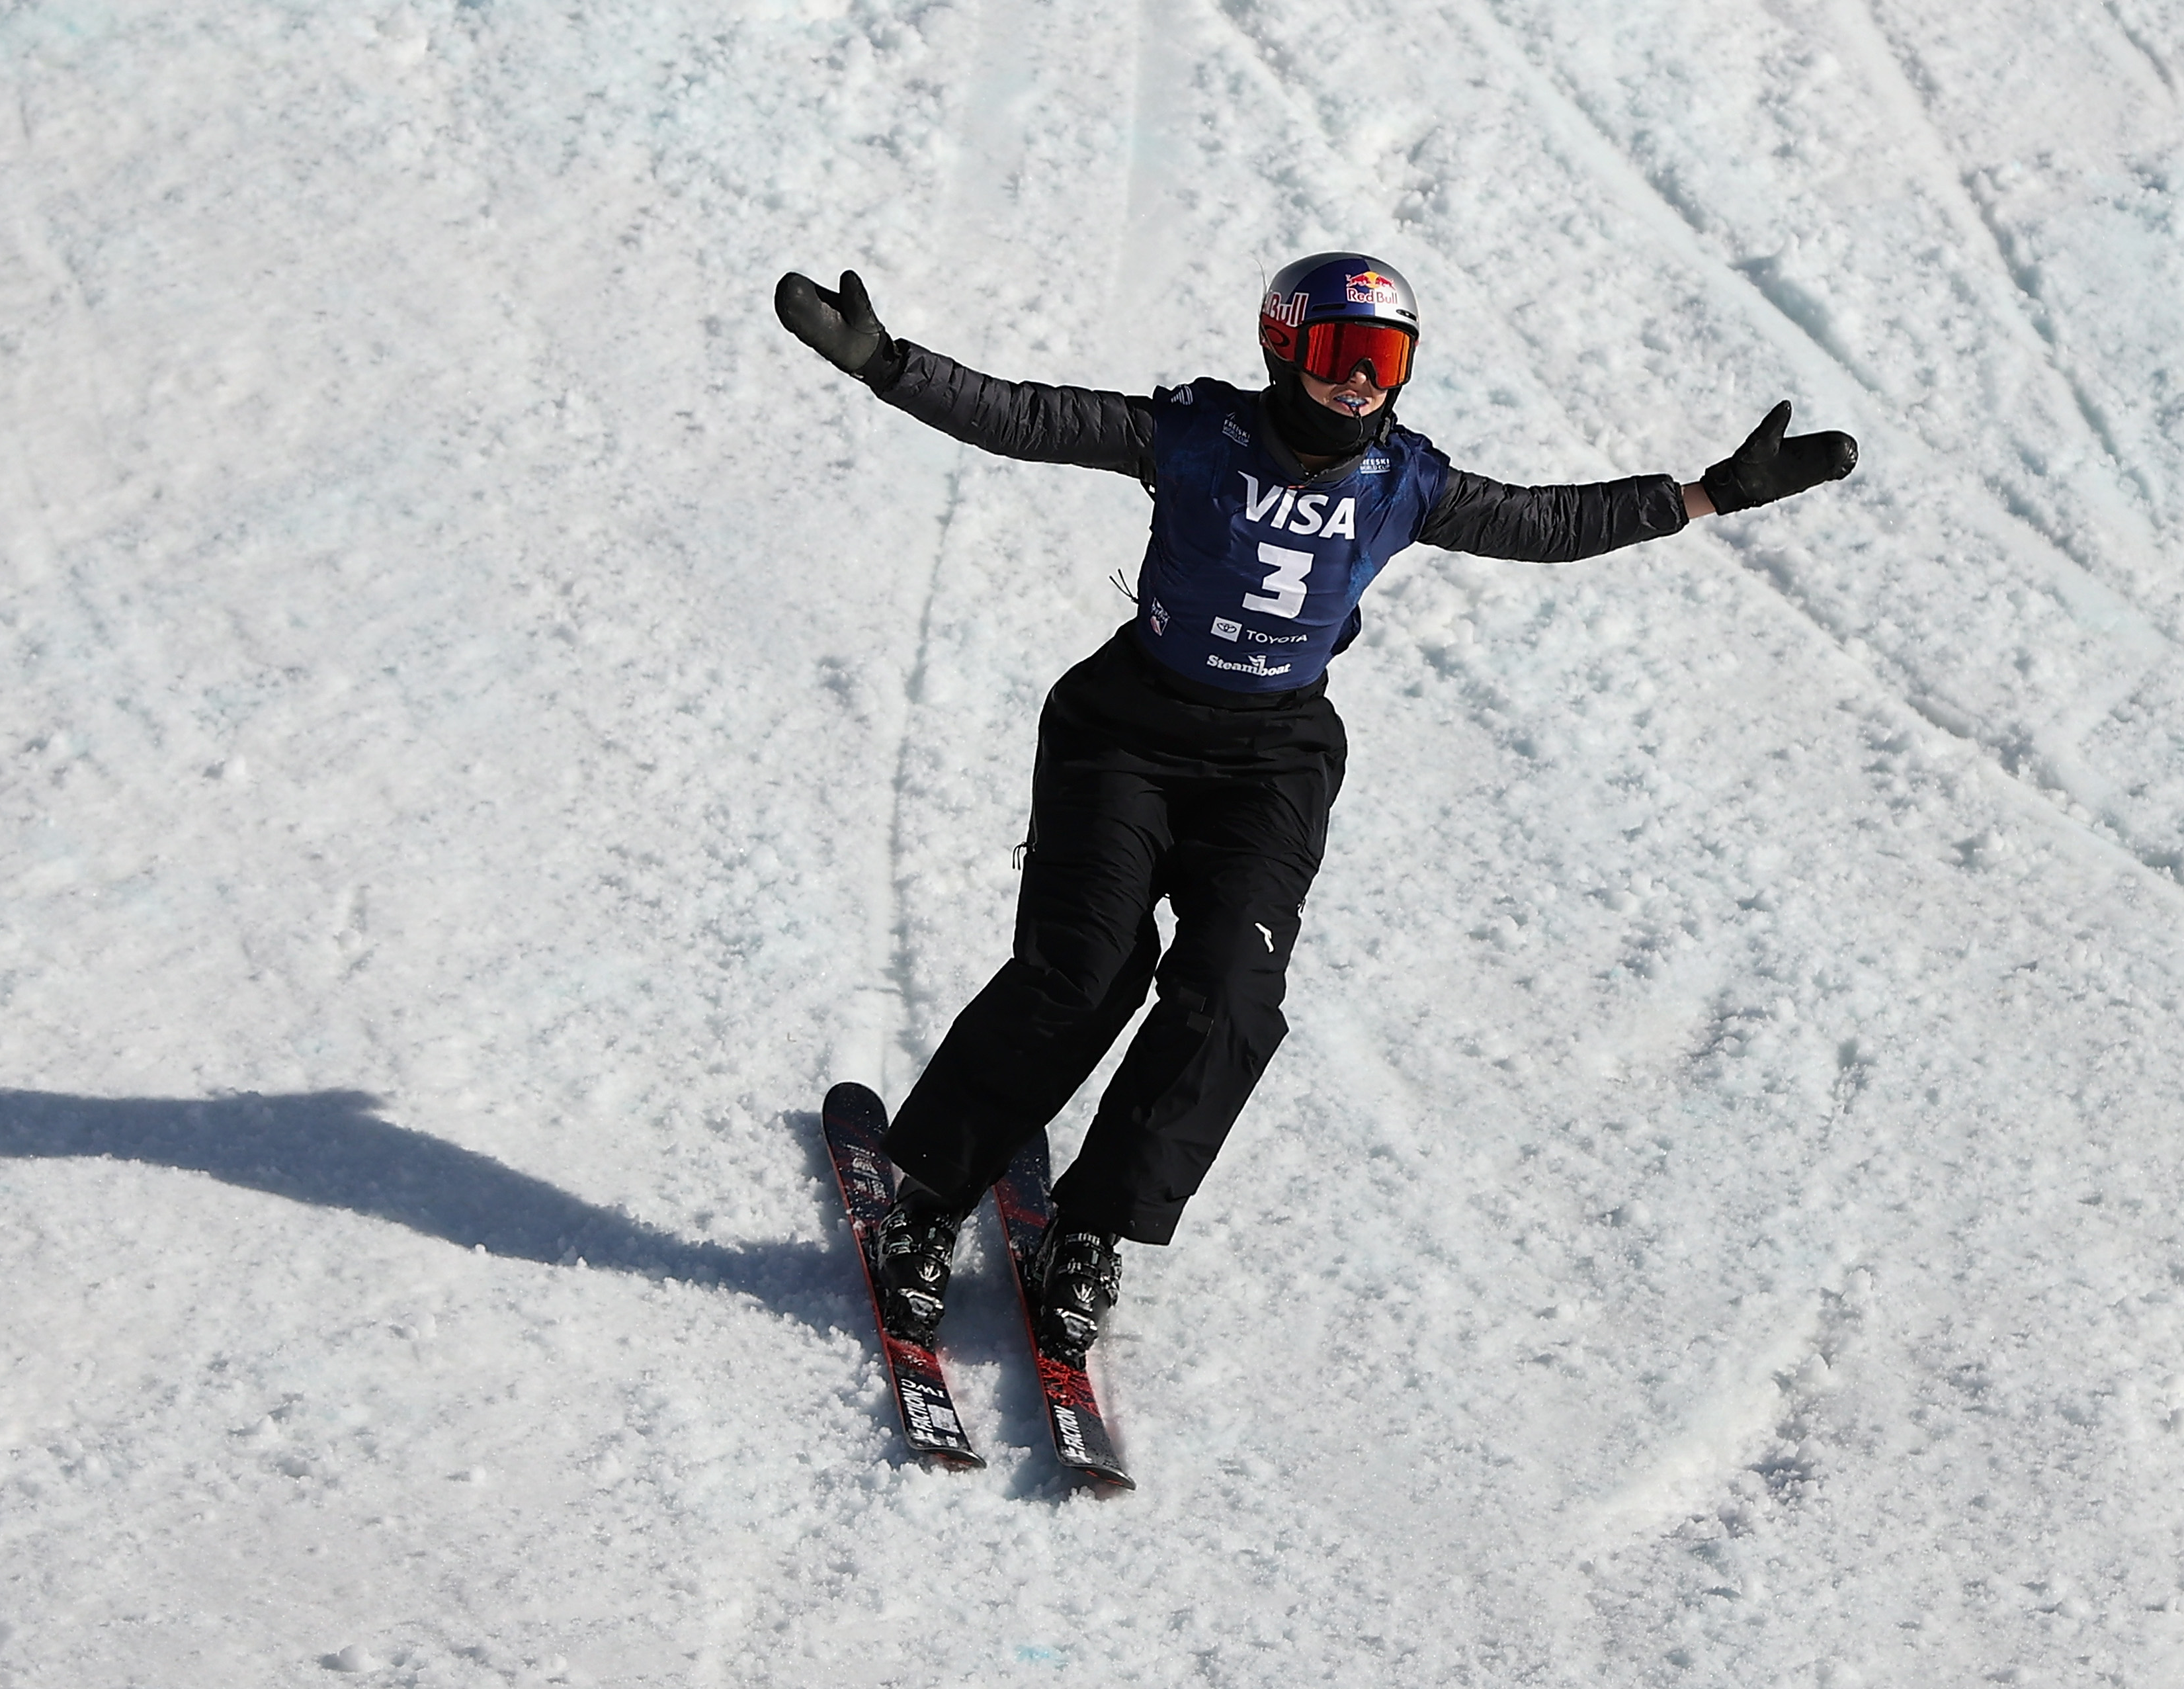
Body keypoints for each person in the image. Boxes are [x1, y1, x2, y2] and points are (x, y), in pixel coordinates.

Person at [775, 253, 1856, 1365]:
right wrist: (889, 368)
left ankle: (1091, 1228)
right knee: (1085, 970)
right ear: (1284, 348)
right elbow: (1034, 418)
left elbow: (1544, 523)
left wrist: (1711, 492)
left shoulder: (1406, 481)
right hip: (1125, 734)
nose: (1364, 386)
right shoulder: (1198, 437)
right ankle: (932, 1198)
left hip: (1272, 762)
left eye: (1388, 361)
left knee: (1231, 997)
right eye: (1345, 357)